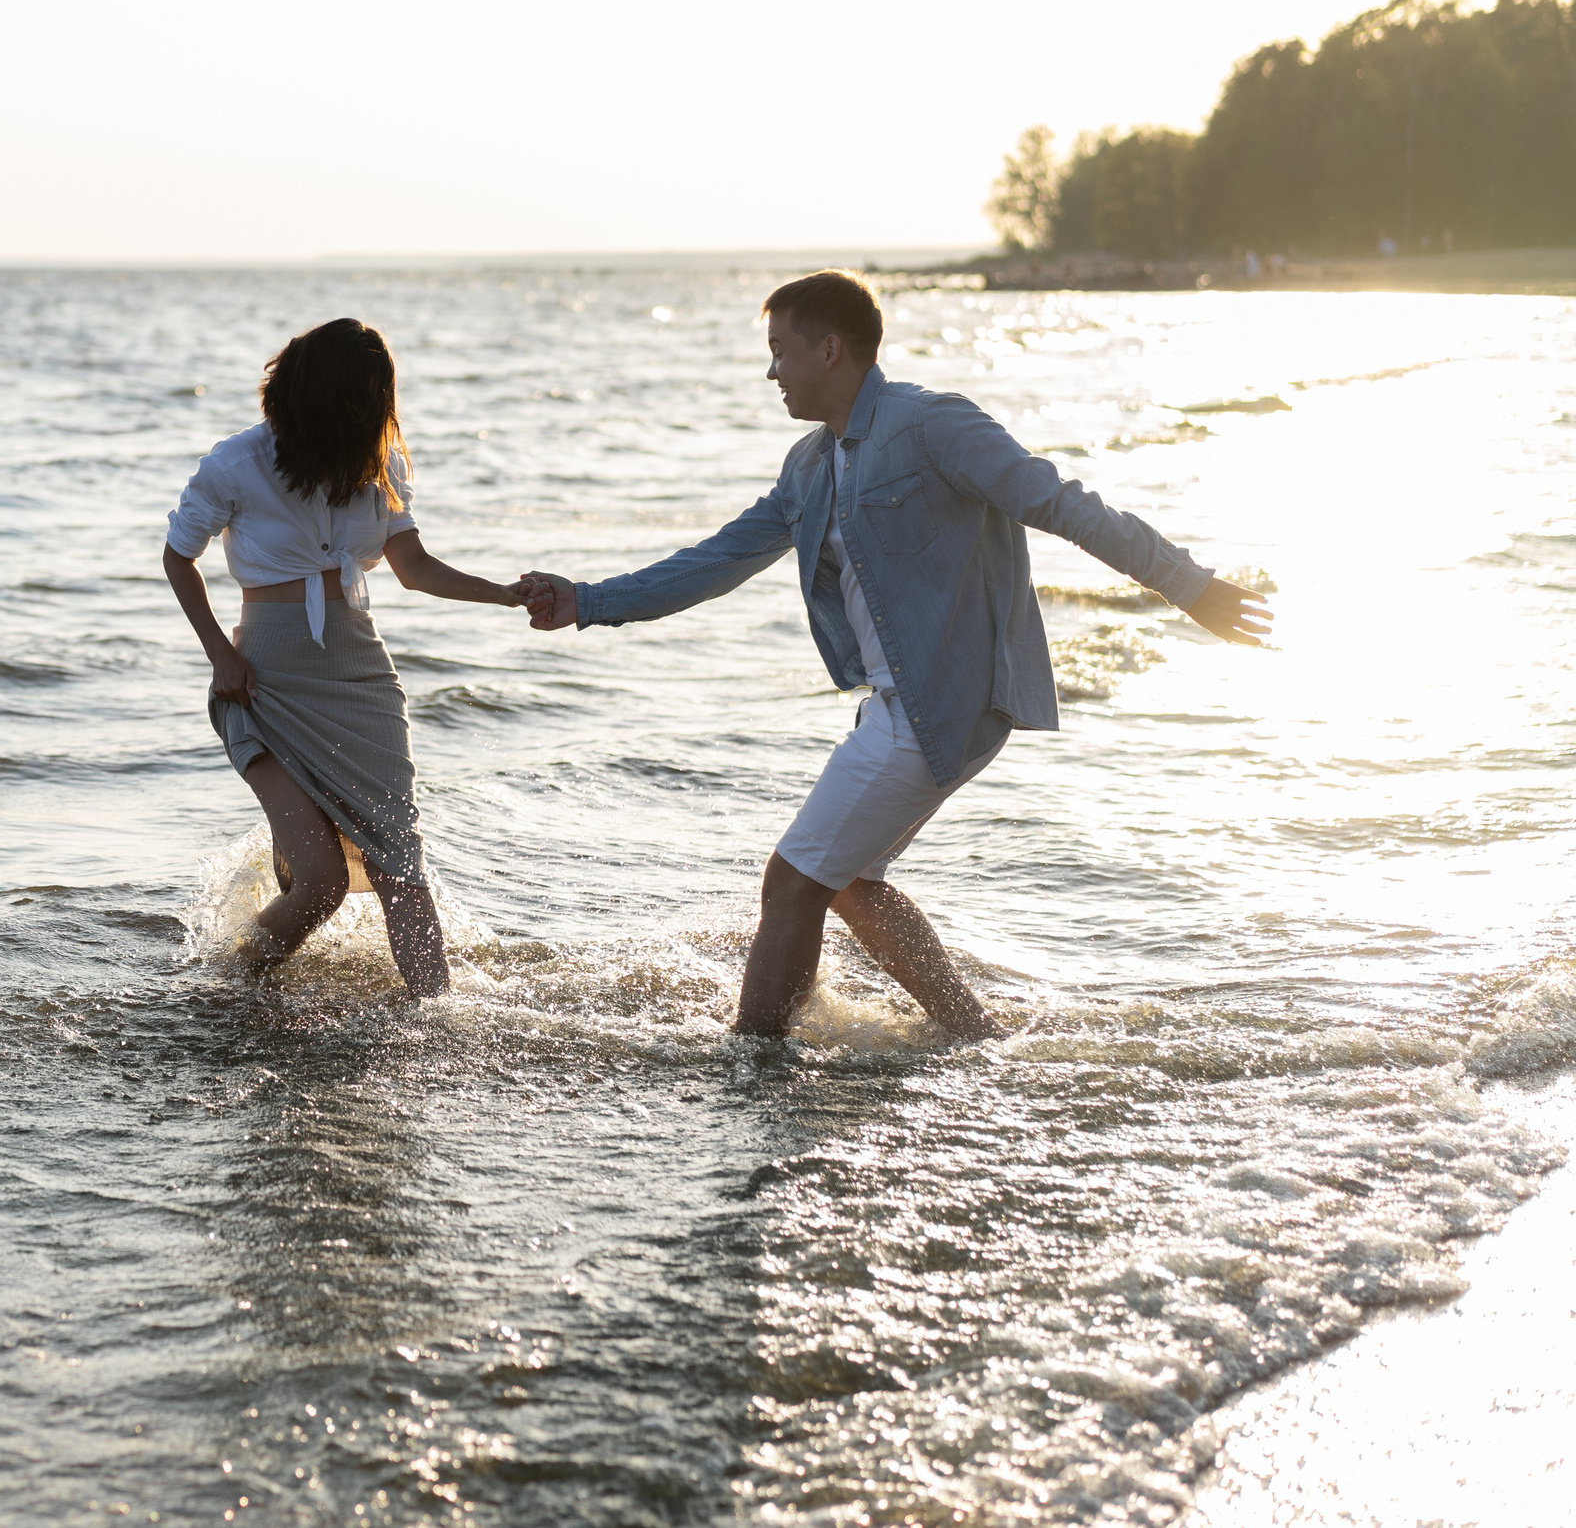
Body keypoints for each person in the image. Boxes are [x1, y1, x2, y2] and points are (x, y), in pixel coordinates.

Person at [512, 271, 1270, 1039]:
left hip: (941, 700)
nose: (770, 372)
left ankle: (756, 1062)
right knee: (847, 883)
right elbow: (717, 559)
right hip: (895, 704)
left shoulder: (933, 427)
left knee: (792, 881)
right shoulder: (809, 465)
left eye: (780, 351)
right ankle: (974, 1032)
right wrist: (589, 599)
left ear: (830, 349)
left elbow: (1061, 502)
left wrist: (1189, 586)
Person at [164, 318, 521, 998]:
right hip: (263, 679)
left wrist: (503, 595)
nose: (372, 416)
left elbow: (412, 568)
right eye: (359, 400)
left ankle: (437, 1016)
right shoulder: (237, 463)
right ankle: (232, 988)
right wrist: (219, 656)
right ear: (320, 395)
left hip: (361, 677)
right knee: (322, 883)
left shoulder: (376, 463)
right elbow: (178, 556)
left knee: (399, 864)